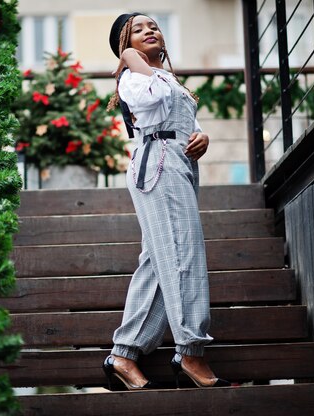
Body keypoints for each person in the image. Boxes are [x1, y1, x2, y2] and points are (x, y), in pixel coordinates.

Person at [102, 12, 229, 390]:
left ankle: (124, 354)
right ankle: (190, 351)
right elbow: (152, 99)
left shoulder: (166, 77)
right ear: (125, 46)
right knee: (180, 252)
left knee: (161, 259)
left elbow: (182, 115)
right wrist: (130, 59)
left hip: (178, 161)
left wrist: (201, 137)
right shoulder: (133, 78)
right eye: (137, 30)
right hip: (158, 163)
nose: (150, 30)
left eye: (153, 25)